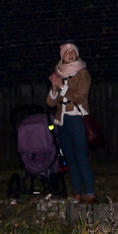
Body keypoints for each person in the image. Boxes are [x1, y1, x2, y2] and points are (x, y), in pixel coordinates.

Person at [47, 42, 96, 204]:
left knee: (81, 157)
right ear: (62, 56)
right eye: (67, 52)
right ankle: (78, 193)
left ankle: (90, 193)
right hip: (62, 121)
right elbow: (50, 102)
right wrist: (54, 88)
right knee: (70, 159)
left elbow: (79, 96)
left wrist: (62, 87)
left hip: (77, 119)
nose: (70, 54)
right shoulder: (59, 73)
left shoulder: (83, 73)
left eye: (73, 51)